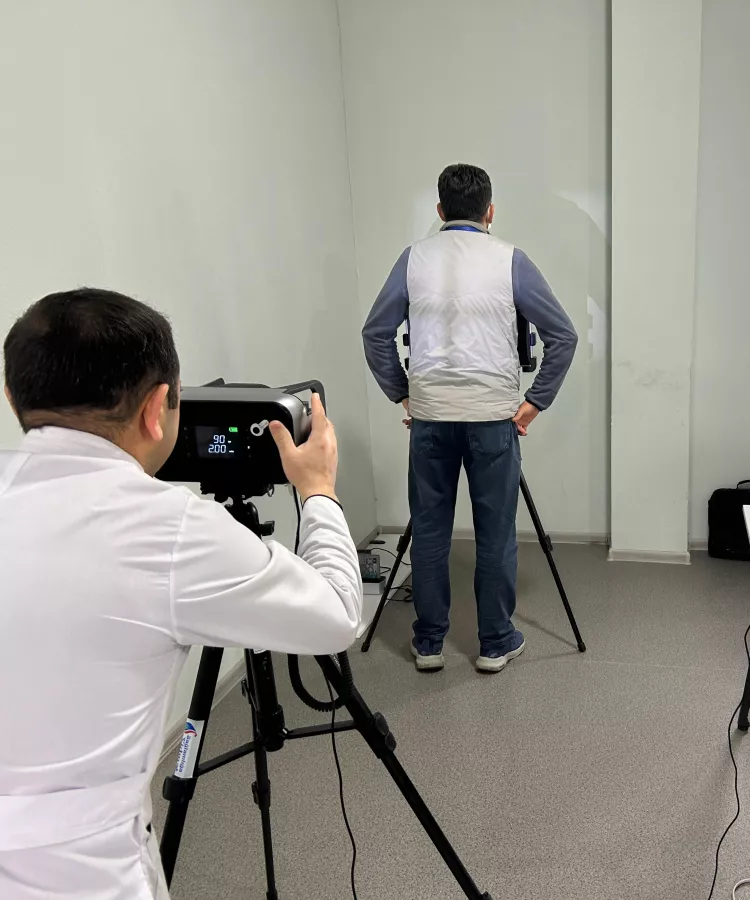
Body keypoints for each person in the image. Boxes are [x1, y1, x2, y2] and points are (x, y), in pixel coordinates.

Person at [0, 289, 363, 900]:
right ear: (156, 409)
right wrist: (318, 489)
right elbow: (337, 615)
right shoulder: (170, 528)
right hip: (85, 872)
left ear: (13, 398)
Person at [362, 163, 578, 674]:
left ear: (440, 210)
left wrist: (403, 394)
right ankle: (496, 642)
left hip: (430, 419)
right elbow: (563, 336)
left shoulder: (412, 259)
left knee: (430, 532)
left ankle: (429, 643)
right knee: (495, 534)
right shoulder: (511, 260)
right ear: (490, 211)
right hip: (492, 419)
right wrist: (534, 402)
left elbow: (375, 334)